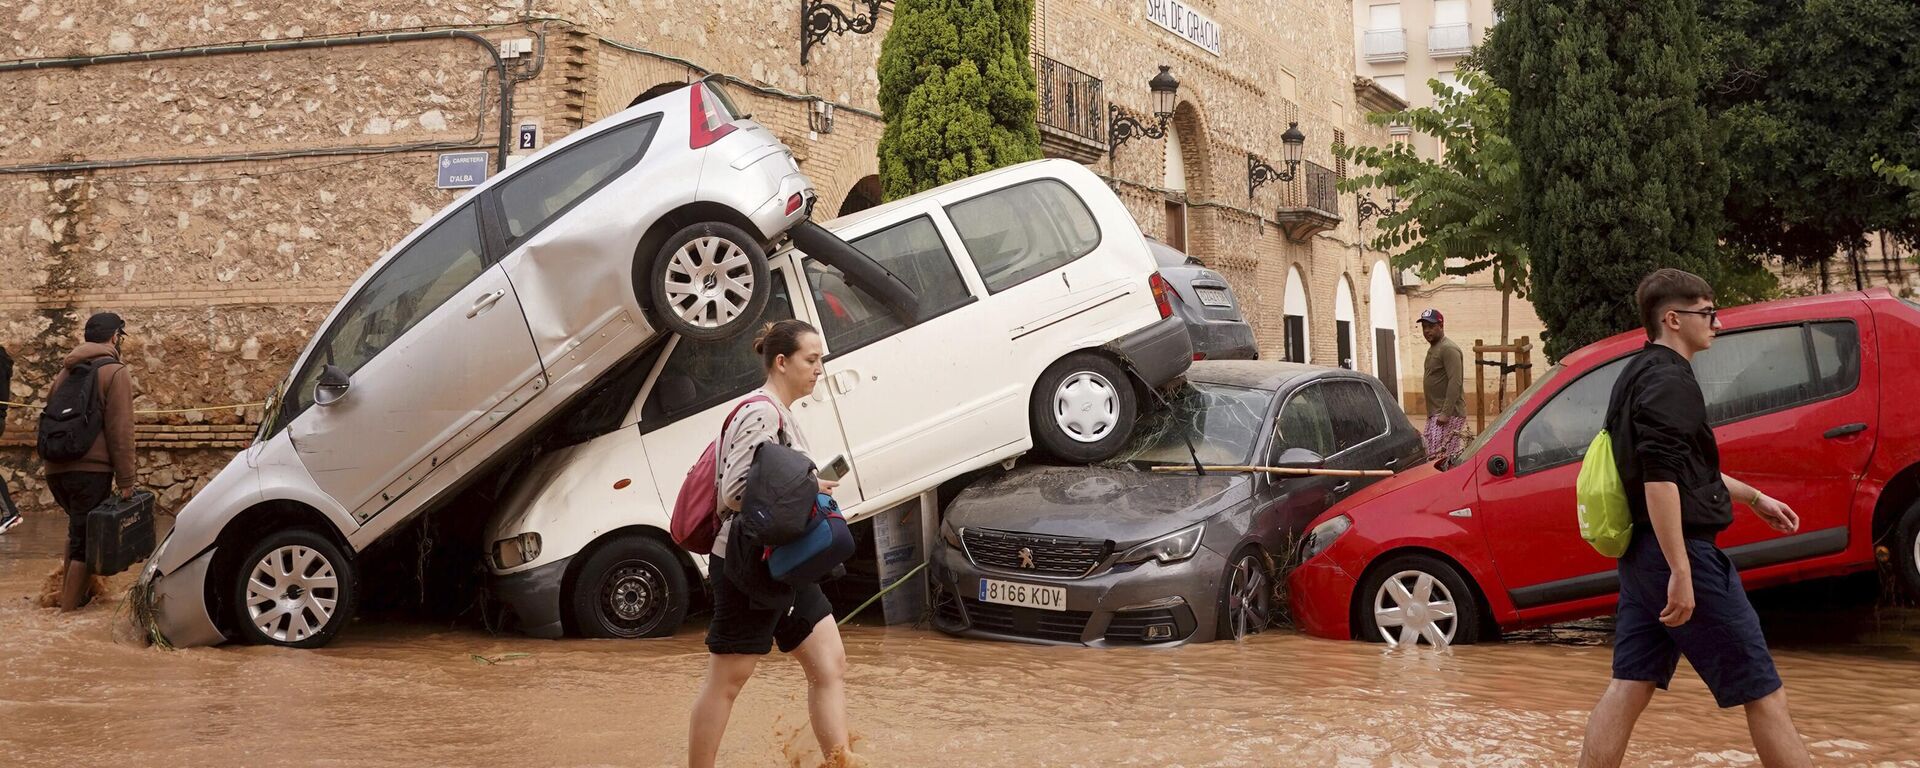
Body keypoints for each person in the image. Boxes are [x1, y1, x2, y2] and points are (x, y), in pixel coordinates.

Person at [1578, 269, 1810, 768]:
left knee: (1629, 687)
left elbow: (1683, 469)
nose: (1718, 323)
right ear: (1673, 318)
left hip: (1641, 559)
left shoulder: (1636, 374)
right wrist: (1681, 571)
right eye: (1707, 312)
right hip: (1679, 556)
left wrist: (1754, 498)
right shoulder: (1669, 381)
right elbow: (1658, 479)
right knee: (1764, 692)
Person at [689, 319, 857, 767]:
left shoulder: (781, 414)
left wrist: (812, 486)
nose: (819, 369)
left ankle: (838, 762)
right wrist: (812, 490)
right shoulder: (760, 412)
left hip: (784, 561)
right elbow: (735, 491)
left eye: (820, 359)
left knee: (829, 663)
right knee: (728, 679)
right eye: (812, 359)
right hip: (747, 566)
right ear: (782, 362)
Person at [43, 312, 139, 611]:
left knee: (77, 533)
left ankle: (74, 597)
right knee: (85, 542)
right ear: (114, 337)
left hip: (56, 469)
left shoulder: (65, 371)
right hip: (90, 471)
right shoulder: (114, 371)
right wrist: (126, 481)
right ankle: (66, 615)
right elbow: (120, 429)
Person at [1418, 308, 1467, 460]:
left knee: (1442, 459)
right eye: (1424, 327)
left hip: (1447, 414)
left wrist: (1446, 413)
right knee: (1434, 456)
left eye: (1431, 326)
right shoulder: (1434, 348)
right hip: (1436, 413)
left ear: (1441, 325)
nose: (1427, 331)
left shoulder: (1449, 349)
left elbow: (1455, 381)